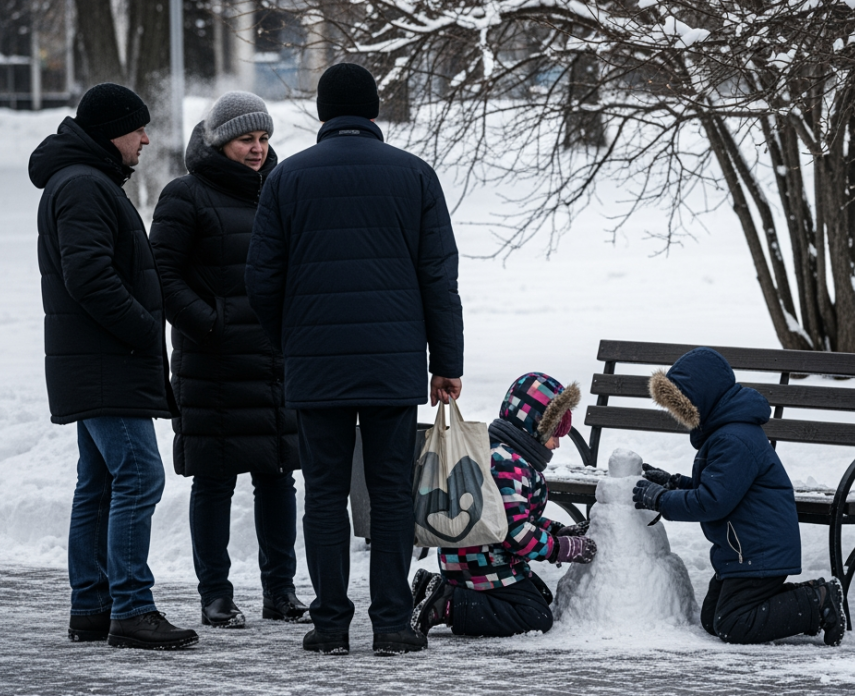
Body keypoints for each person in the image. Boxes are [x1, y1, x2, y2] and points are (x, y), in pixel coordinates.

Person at [246, 63, 464, 656]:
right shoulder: (415, 175)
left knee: (323, 492)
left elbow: (261, 281)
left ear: (323, 113)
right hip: (393, 367)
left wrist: (292, 341)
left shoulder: (286, 179)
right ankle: (393, 624)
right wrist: (445, 360)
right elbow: (439, 278)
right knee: (392, 493)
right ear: (372, 112)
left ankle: (330, 625)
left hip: (316, 367)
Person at [29, 83, 197, 650]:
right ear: (109, 133)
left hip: (98, 362)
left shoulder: (85, 180)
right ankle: (130, 606)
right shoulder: (82, 185)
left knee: (98, 483)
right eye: (137, 129)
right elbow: (90, 277)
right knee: (139, 476)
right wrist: (146, 329)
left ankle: (92, 606)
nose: (146, 138)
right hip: (107, 362)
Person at [148, 92, 308, 629]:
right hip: (211, 365)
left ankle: (280, 592)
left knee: (278, 477)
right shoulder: (184, 196)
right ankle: (215, 595)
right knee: (214, 481)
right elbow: (161, 277)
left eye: (263, 139)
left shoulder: (280, 191)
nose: (258, 149)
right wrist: (211, 323)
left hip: (273, 363)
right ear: (219, 142)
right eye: (247, 140)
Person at [631, 347, 846, 647]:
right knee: (712, 619)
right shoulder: (726, 433)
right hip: (744, 548)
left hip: (759, 550)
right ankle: (809, 595)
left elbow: (712, 501)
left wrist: (661, 500)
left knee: (733, 624)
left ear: (703, 399)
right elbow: (722, 487)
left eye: (684, 407)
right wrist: (674, 483)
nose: (680, 418)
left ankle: (817, 601)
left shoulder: (733, 439)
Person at [411, 373, 597, 639]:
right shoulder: (511, 466)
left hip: (464, 560)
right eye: (555, 434)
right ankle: (448, 605)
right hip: (483, 567)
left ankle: (433, 586)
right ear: (535, 427)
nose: (557, 443)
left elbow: (509, 515)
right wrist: (559, 549)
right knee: (536, 616)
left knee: (541, 596)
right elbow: (515, 533)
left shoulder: (492, 451)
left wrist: (557, 531)